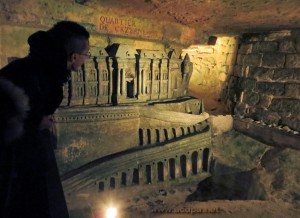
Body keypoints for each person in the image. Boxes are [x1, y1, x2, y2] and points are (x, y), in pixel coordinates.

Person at [0, 21, 90, 218]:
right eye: (87, 54)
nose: (86, 59)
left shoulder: (38, 68)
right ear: (74, 56)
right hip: (15, 162)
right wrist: (35, 122)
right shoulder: (42, 75)